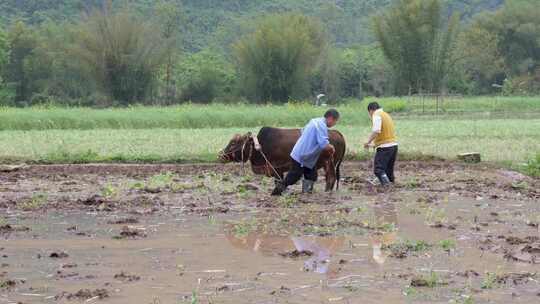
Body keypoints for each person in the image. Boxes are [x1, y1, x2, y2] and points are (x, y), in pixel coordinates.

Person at [271, 109, 339, 196]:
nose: (335, 124)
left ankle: (306, 194)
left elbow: (303, 131)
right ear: (330, 118)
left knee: (312, 175)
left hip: (305, 155)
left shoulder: (315, 121)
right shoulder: (321, 125)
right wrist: (332, 148)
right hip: (303, 155)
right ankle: (277, 191)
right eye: (335, 121)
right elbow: (324, 144)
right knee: (294, 176)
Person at [364, 102, 398, 186]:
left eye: (369, 113)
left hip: (385, 148)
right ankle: (391, 183)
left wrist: (368, 142)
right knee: (388, 170)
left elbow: (376, 131)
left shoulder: (376, 115)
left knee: (378, 169)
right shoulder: (386, 115)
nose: (370, 116)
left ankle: (386, 185)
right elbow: (385, 134)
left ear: (371, 110)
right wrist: (374, 145)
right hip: (393, 146)